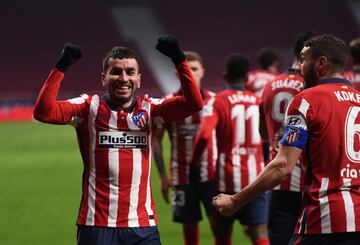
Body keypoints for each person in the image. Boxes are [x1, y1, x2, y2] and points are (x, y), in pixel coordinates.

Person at [33, 35, 204, 245]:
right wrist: (61, 66)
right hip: (96, 224)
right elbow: (43, 112)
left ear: (139, 79)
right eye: (116, 72)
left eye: (130, 72)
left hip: (142, 224)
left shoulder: (151, 109)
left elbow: (194, 104)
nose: (123, 78)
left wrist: (179, 59)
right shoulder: (88, 108)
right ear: (103, 78)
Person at [213, 34, 360, 245]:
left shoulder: (306, 100)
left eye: (303, 59)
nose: (299, 67)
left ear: (321, 63)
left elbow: (283, 166)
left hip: (325, 218)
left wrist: (236, 200)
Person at [191, 54, 269, 245]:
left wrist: (193, 164)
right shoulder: (258, 102)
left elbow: (203, 135)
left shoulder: (217, 101)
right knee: (259, 233)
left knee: (223, 233)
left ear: (225, 76)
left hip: (225, 179)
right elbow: (268, 139)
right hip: (255, 180)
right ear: (247, 78)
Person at [260, 31, 318, 245]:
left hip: (278, 179)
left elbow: (263, 133)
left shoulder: (270, 86)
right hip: (308, 180)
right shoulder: (313, 89)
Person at [153, 51, 217, 245]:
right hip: (181, 174)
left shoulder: (214, 101)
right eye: (187, 70)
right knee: (189, 225)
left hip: (211, 174)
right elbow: (156, 141)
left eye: (195, 69)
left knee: (218, 224)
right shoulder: (168, 103)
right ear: (178, 73)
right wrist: (163, 176)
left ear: (203, 72)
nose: (191, 73)